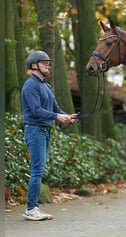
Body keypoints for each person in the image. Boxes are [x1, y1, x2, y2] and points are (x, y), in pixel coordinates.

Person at [21, 50, 78, 221]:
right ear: (34, 65)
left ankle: (33, 208)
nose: (48, 65)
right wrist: (57, 117)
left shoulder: (47, 86)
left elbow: (55, 108)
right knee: (37, 170)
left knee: (39, 170)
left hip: (45, 131)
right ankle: (31, 209)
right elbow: (37, 110)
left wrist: (66, 116)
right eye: (44, 62)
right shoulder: (30, 85)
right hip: (35, 130)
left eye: (48, 62)